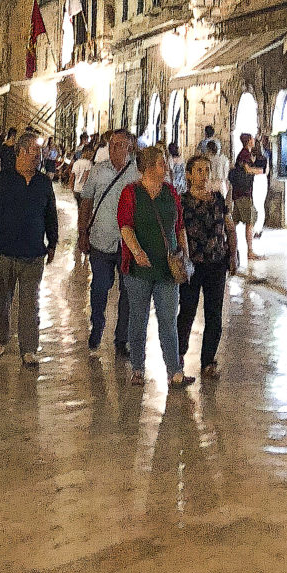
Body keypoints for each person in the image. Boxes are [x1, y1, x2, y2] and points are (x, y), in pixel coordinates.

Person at [0, 132, 58, 364]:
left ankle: (29, 348)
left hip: (33, 253)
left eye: (39, 152)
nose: (38, 157)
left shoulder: (43, 183)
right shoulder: (0, 181)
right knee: (2, 299)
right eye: (33, 151)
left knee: (30, 302)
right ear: (20, 152)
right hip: (3, 251)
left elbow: (50, 215)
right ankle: (0, 340)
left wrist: (53, 242)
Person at [117, 146, 194, 390]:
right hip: (139, 271)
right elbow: (125, 226)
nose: (166, 168)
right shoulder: (130, 193)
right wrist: (137, 252)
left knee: (168, 321)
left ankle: (174, 371)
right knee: (138, 320)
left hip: (167, 269)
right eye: (162, 164)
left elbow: (179, 227)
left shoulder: (171, 193)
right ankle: (137, 367)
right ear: (149, 167)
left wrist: (185, 255)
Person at [78, 130, 140, 354]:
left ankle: (122, 338)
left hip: (128, 243)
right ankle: (97, 325)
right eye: (113, 145)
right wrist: (82, 232)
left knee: (128, 292)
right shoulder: (98, 171)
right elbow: (86, 201)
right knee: (100, 287)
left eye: (122, 145)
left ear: (130, 147)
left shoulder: (137, 173)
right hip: (101, 240)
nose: (116, 149)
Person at [176, 153, 238, 377]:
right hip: (192, 265)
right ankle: (178, 355)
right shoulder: (182, 202)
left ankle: (208, 361)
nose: (203, 176)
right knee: (187, 312)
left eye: (207, 171)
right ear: (189, 175)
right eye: (199, 171)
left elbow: (229, 227)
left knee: (214, 314)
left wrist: (233, 254)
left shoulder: (218, 199)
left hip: (216, 263)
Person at [230, 132, 268, 267]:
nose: (253, 141)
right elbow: (247, 169)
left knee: (234, 221)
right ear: (249, 141)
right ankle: (250, 251)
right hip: (244, 193)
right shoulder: (245, 154)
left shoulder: (245, 153)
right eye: (252, 139)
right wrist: (260, 171)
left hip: (240, 192)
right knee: (250, 220)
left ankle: (230, 247)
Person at [200, 129, 230, 198]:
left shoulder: (208, 160)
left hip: (211, 184)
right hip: (221, 184)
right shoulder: (224, 159)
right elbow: (226, 174)